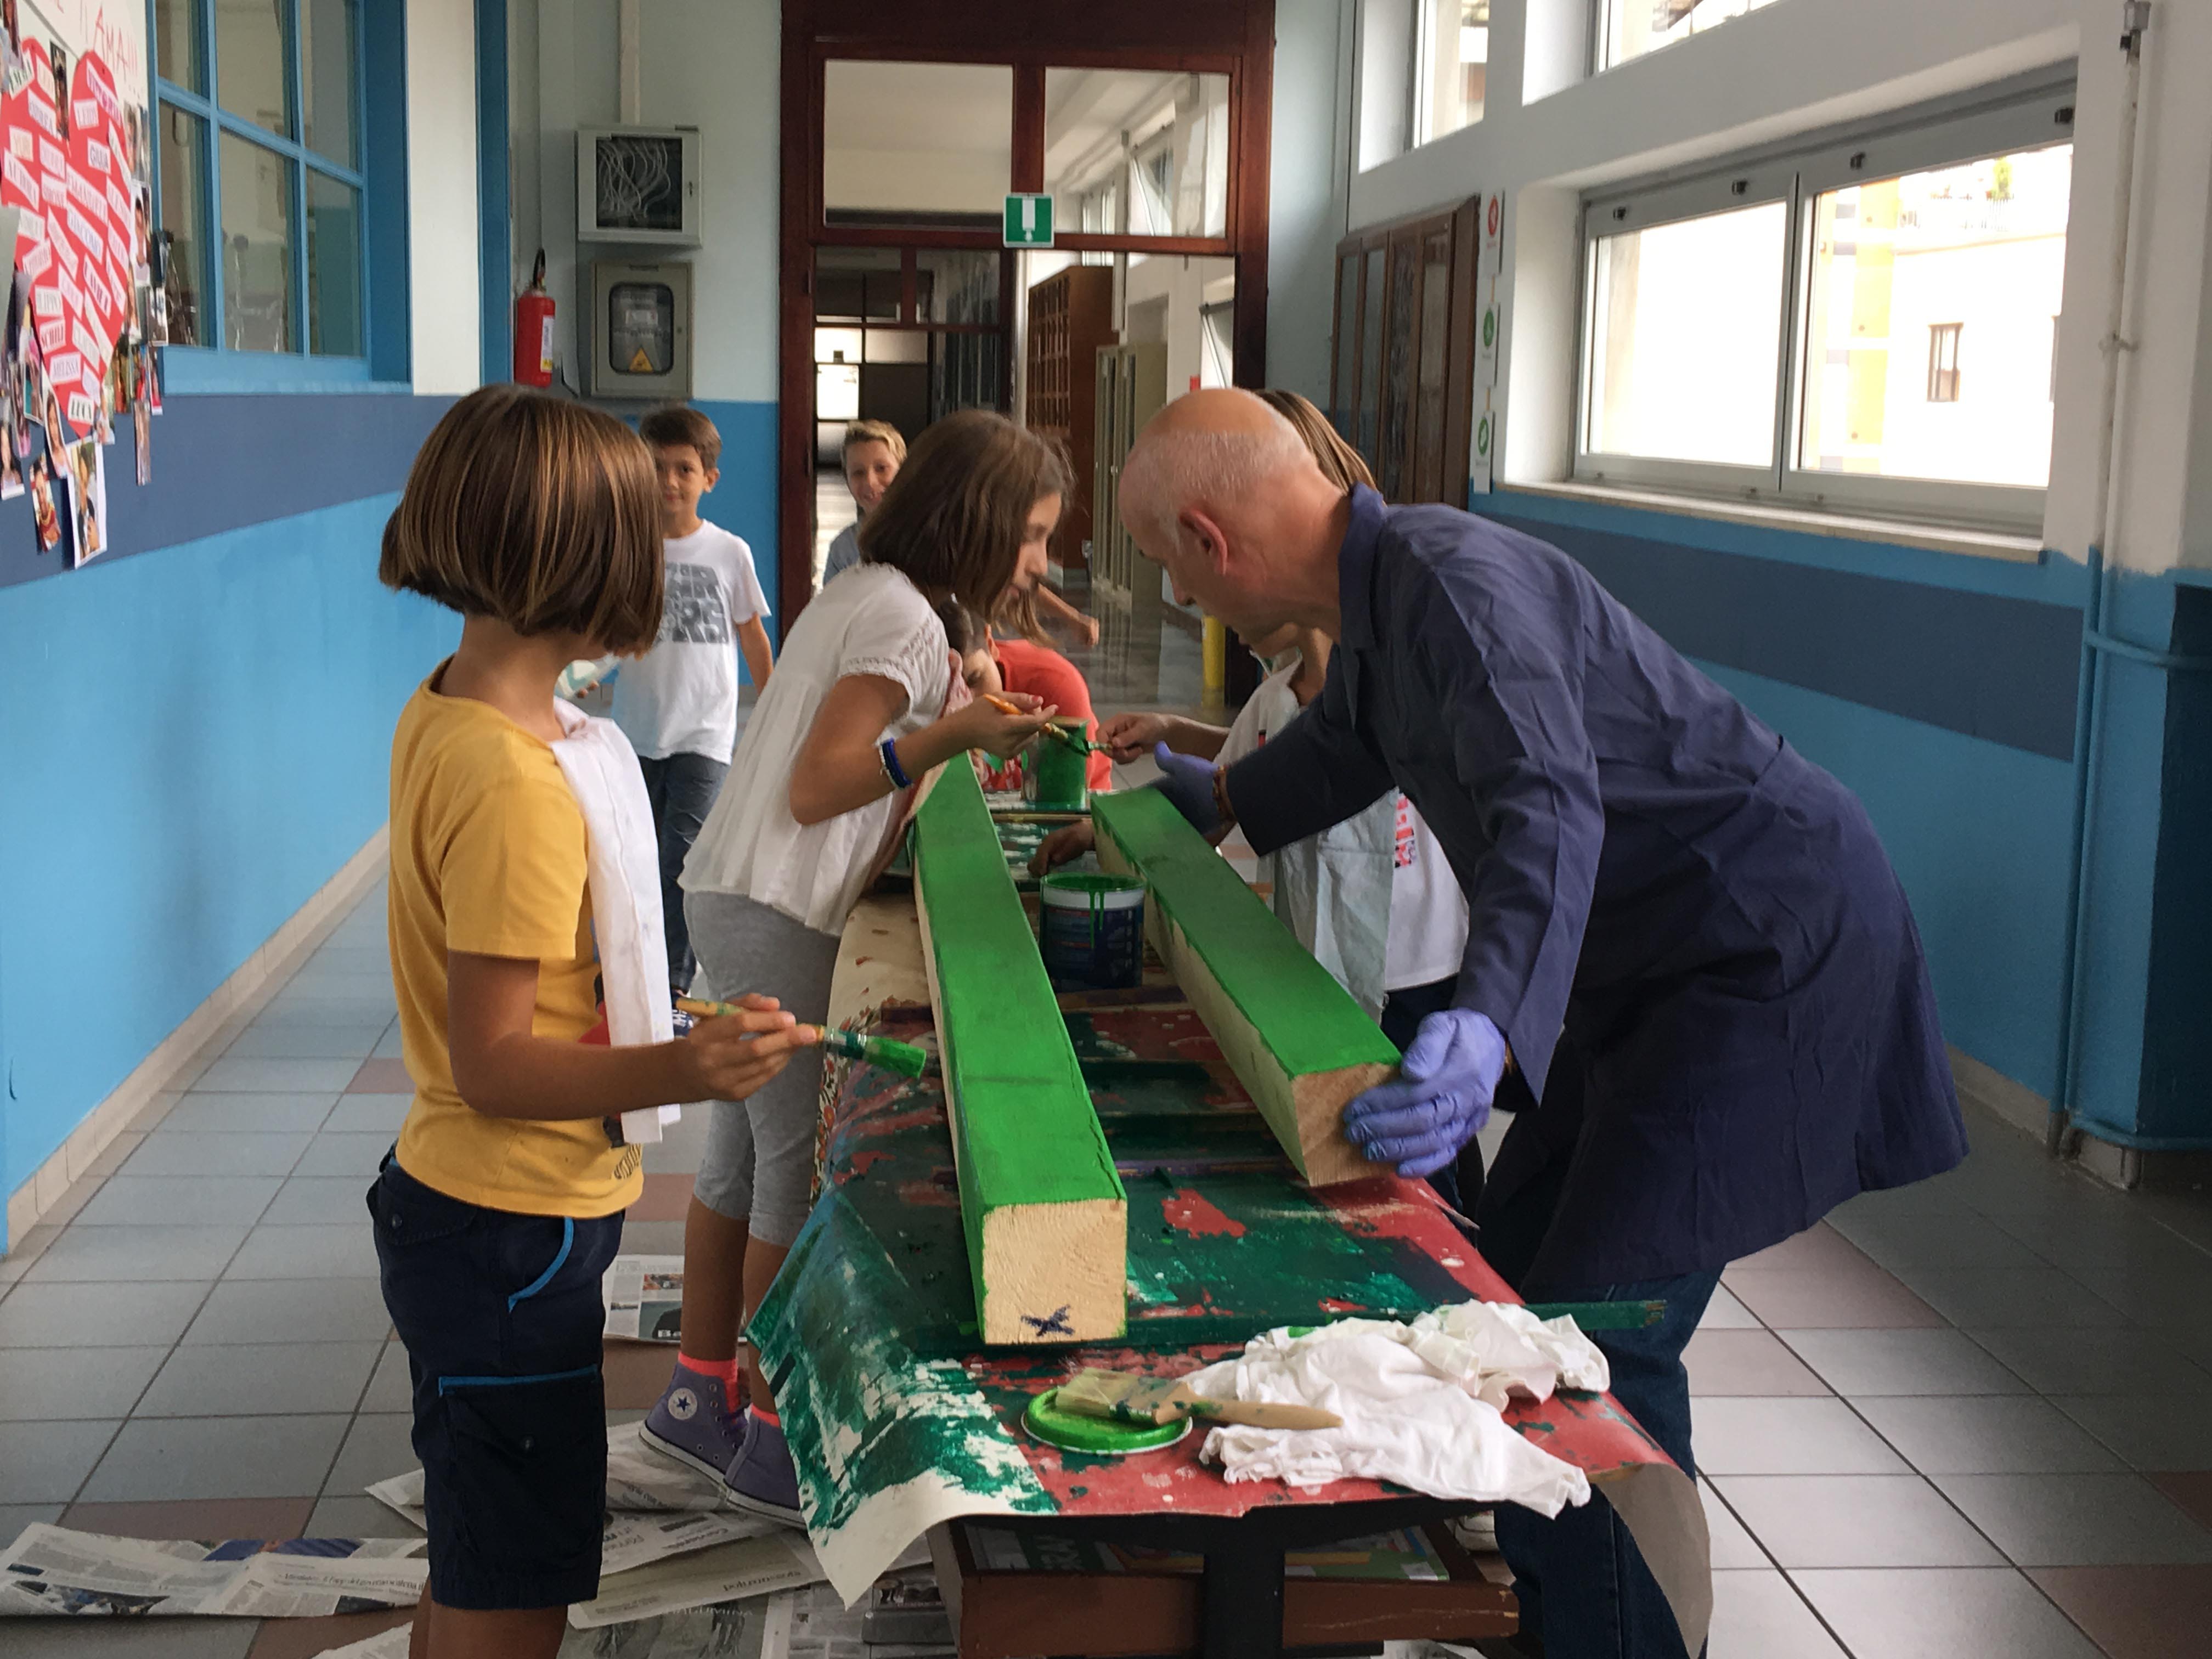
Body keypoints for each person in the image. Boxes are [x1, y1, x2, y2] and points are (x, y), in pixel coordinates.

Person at [1116, 388, 1966, 1659]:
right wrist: (1216, 795)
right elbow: (1349, 749)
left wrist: (1485, 1027)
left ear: (1205, 535)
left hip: (1760, 956)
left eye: (1167, 566)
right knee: (1503, 1293)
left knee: (1583, 1346)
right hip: (1656, 978)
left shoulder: (1448, 580)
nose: (1182, 597)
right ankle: (1563, 1613)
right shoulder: (1381, 602)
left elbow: (1548, 804)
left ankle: (1619, 1639)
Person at [372, 385, 819, 1659]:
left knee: (487, 1546)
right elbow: (496, 1059)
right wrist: (693, 1062)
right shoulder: (518, 781)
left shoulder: (455, 706)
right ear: (591, 564)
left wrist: (667, 1012)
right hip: (503, 1226)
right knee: (515, 1585)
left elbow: (549, 978)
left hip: (487, 1211)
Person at [642, 410, 1064, 1521]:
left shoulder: (877, 594)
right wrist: (955, 735)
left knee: (735, 1160)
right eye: (1028, 537)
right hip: (776, 906)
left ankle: (695, 1401)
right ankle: (778, 1441)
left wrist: (956, 715)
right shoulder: (904, 622)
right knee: (789, 1170)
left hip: (732, 893)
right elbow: (823, 785)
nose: (1038, 562)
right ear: (976, 523)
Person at [577, 404, 774, 998]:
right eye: (657, 466)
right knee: (633, 859)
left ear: (708, 479)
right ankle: (627, 972)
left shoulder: (729, 553)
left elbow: (751, 634)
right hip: (635, 732)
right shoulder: (627, 547)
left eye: (684, 469)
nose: (668, 481)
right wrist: (578, 665)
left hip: (705, 736)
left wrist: (772, 708)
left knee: (682, 864)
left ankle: (674, 987)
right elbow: (602, 628)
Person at [938, 596, 1111, 796]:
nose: (968, 702)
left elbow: (1071, 800)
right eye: (950, 691)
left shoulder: (1055, 685)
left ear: (990, 642)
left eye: (975, 679)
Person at [820, 419, 904, 586]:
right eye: (858, 473)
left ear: (904, 471)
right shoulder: (843, 549)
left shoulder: (929, 537)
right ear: (847, 480)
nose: (870, 482)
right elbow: (833, 609)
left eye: (881, 468)